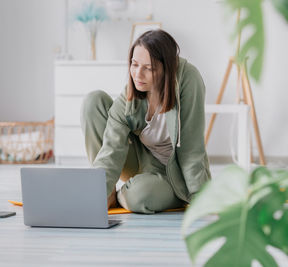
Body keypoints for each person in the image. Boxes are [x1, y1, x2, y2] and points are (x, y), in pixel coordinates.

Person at [80, 30, 211, 214]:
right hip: (140, 161)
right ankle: (106, 192)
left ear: (167, 68)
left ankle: (126, 194)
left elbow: (191, 147)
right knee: (93, 102)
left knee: (138, 196)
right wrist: (95, 192)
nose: (137, 75)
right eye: (134, 64)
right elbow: (111, 148)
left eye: (148, 68)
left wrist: (200, 196)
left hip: (173, 174)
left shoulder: (189, 79)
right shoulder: (131, 93)